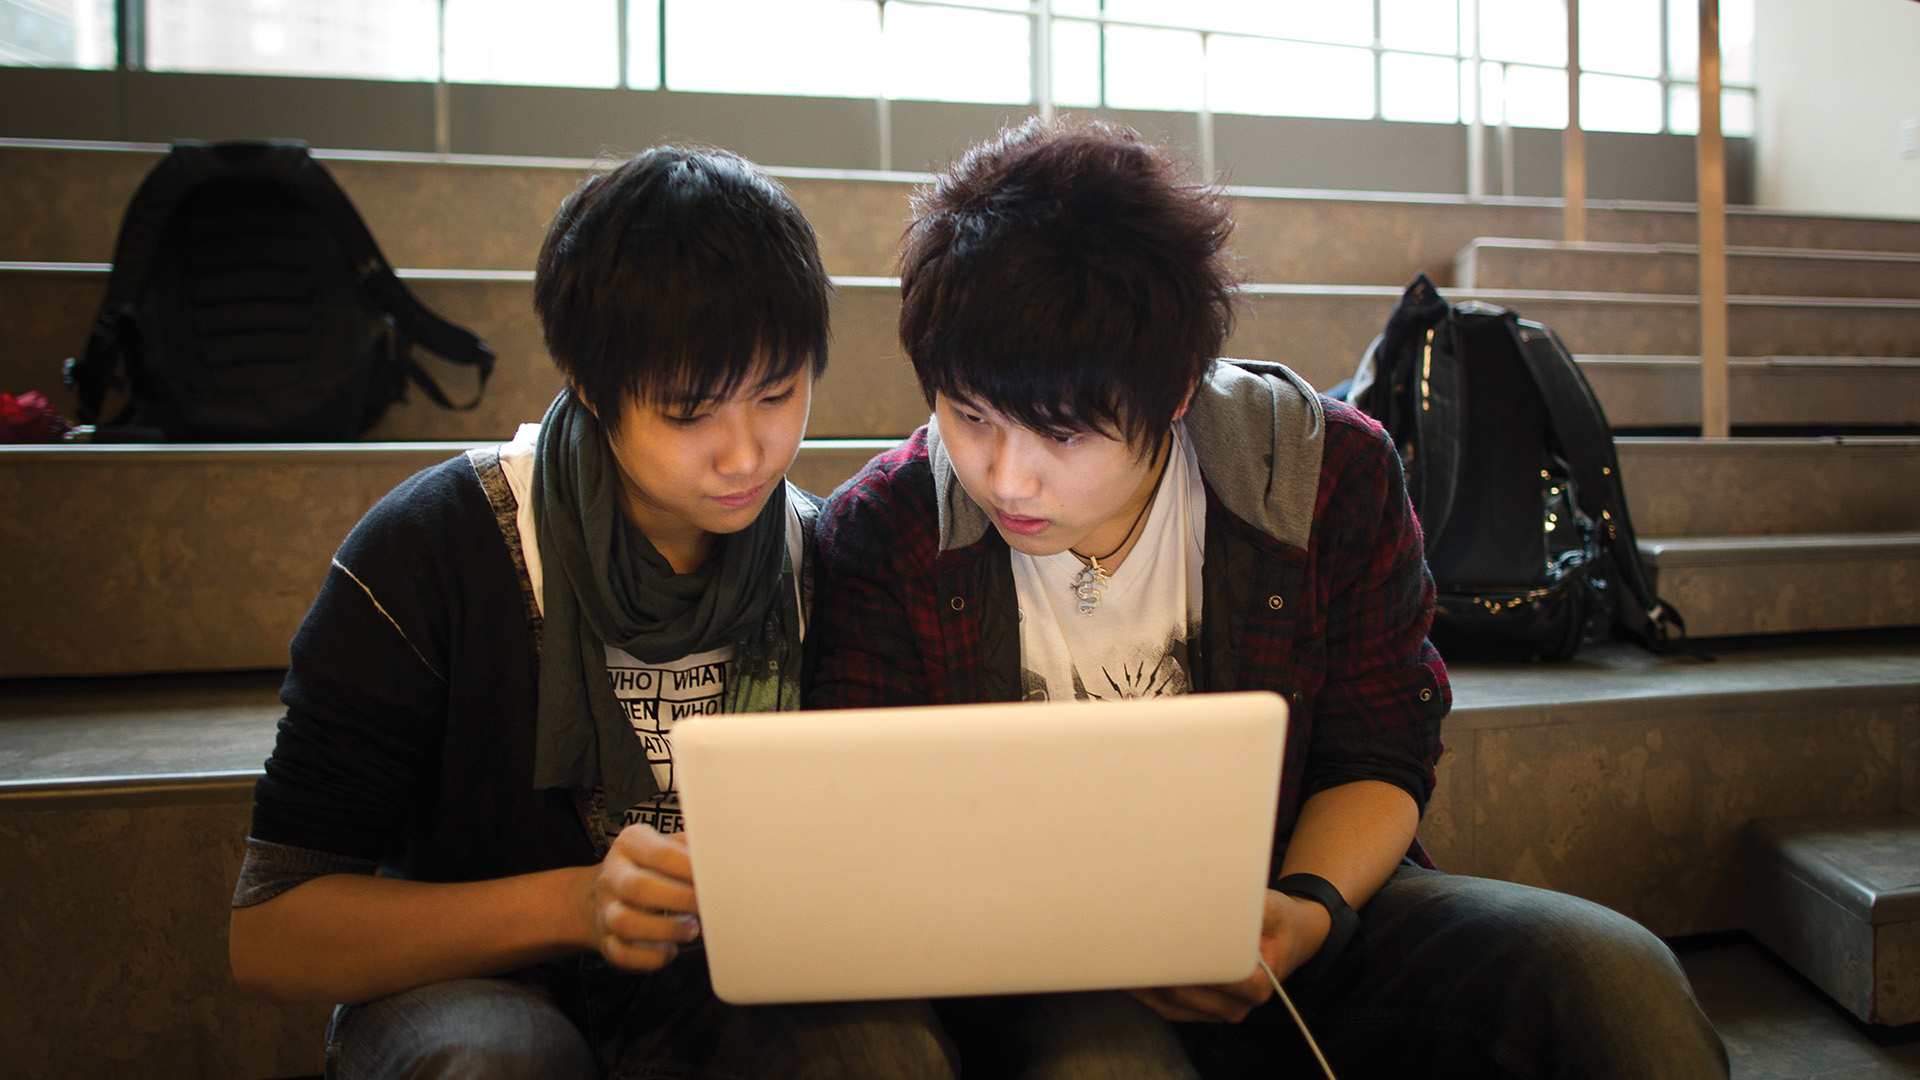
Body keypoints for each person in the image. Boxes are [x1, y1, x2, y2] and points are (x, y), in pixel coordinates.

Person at [809, 117, 1731, 1079]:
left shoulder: (1324, 473)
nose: (1008, 480)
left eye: (1065, 437)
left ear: (1172, 392)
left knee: (1616, 983)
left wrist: (1303, 910)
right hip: (1030, 968)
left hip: (1293, 911)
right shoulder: (890, 530)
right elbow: (884, 833)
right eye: (970, 417)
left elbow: (1381, 747)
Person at [228, 146, 940, 1078]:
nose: (745, 455)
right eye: (689, 415)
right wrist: (575, 906)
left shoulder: (820, 553)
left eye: (777, 395)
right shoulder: (437, 549)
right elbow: (273, 932)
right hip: (478, 984)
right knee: (502, 1060)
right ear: (592, 387)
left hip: (721, 986)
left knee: (878, 1052)